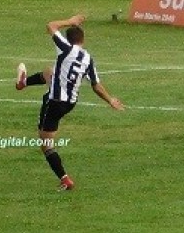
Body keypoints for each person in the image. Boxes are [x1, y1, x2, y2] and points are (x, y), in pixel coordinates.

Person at [38, 14, 124, 191]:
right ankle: (23, 83)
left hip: (56, 101)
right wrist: (110, 100)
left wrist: (69, 21)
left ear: (68, 39)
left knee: (45, 144)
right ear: (83, 39)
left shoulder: (65, 49)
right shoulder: (87, 58)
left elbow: (51, 25)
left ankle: (65, 179)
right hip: (70, 103)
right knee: (49, 73)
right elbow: (96, 85)